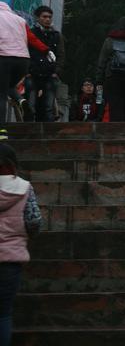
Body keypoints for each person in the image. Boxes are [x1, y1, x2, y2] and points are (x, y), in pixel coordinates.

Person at [0, 143, 42, 345]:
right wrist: (21, 239)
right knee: (3, 314)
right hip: (9, 260)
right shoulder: (24, 187)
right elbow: (34, 221)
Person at [0, 1, 52, 122]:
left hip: (4, 58)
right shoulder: (20, 20)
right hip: (23, 61)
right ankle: (21, 100)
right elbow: (32, 38)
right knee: (8, 86)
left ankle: (1, 129)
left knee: (1, 94)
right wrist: (46, 50)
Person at [95, 16, 125, 122]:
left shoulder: (109, 41)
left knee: (115, 107)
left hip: (113, 77)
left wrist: (99, 80)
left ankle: (117, 130)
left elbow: (102, 61)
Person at [26, 6, 66, 122]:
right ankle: (28, 131)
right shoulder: (31, 34)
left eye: (49, 17)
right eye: (44, 17)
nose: (47, 19)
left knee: (48, 108)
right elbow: (25, 51)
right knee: (30, 106)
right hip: (33, 74)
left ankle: (46, 132)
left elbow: (61, 55)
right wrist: (27, 71)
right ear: (38, 18)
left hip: (50, 75)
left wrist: (56, 72)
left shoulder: (56, 35)